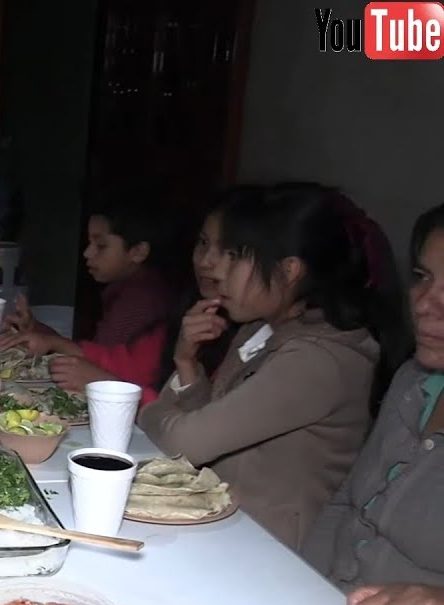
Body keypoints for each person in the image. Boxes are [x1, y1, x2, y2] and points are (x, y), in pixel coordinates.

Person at [137, 182, 413, 550]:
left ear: (289, 271)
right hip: (227, 531)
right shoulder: (263, 329)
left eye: (236, 256)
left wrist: (150, 415)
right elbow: (207, 422)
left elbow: (181, 443)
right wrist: (185, 362)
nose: (217, 270)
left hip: (274, 555)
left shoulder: (318, 360)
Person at [303, 203, 443, 605]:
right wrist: (300, 593)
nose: (428, 303)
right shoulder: (413, 379)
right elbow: (347, 501)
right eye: (423, 277)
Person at [0, 189, 247, 402]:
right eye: (203, 244)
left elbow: (190, 422)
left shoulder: (142, 300)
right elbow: (127, 360)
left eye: (231, 253)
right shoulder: (192, 308)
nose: (206, 262)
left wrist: (100, 381)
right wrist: (48, 339)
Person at [3, 198, 177, 346]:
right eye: (89, 243)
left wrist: (45, 339)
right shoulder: (128, 290)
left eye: (101, 246)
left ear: (138, 252)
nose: (87, 253)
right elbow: (91, 355)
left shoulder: (140, 302)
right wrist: (34, 328)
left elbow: (95, 364)